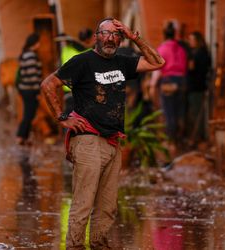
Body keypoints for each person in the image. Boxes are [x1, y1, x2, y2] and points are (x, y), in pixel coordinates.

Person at [41, 17, 165, 249]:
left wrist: (133, 36)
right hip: (87, 139)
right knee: (83, 202)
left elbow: (158, 62)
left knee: (107, 206)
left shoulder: (122, 62)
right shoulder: (82, 62)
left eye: (115, 35)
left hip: (112, 141)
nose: (110, 38)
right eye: (105, 33)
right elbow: (48, 84)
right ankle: (75, 246)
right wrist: (62, 118)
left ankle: (99, 244)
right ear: (96, 36)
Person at [149, 21, 187, 150]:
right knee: (180, 114)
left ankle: (172, 144)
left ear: (164, 34)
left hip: (168, 82)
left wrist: (152, 86)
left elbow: (157, 71)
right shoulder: (182, 49)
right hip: (182, 82)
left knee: (169, 114)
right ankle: (180, 142)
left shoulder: (162, 49)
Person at [16, 33, 42, 145]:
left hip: (25, 88)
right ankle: (20, 136)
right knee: (29, 114)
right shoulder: (30, 55)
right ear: (34, 43)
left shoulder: (26, 54)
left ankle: (24, 137)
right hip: (30, 89)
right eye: (38, 42)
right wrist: (37, 91)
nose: (40, 44)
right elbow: (33, 76)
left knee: (29, 113)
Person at [186, 31, 211, 146]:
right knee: (196, 113)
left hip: (196, 87)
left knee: (196, 114)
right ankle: (197, 137)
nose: (190, 42)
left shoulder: (198, 54)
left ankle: (198, 138)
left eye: (192, 40)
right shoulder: (202, 52)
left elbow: (192, 69)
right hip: (197, 86)